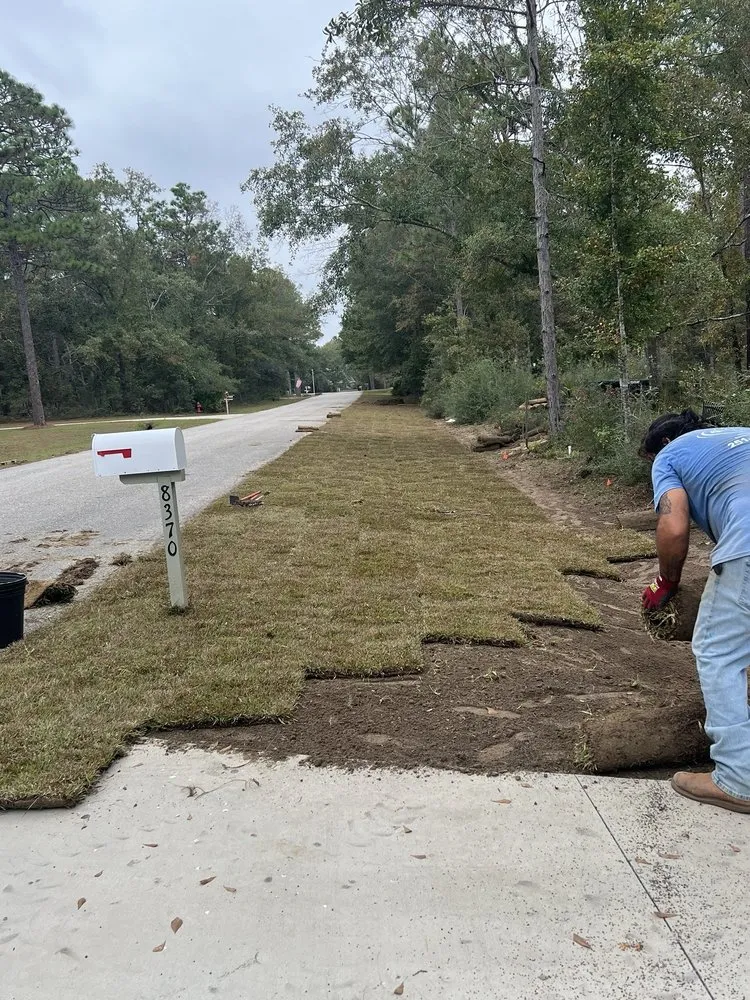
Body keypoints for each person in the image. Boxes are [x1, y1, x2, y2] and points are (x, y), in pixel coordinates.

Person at [641, 409, 750, 813]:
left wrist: (667, 581)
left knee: (719, 651)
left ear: (663, 444)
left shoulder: (670, 456)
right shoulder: (739, 436)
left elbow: (673, 527)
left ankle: (738, 778)